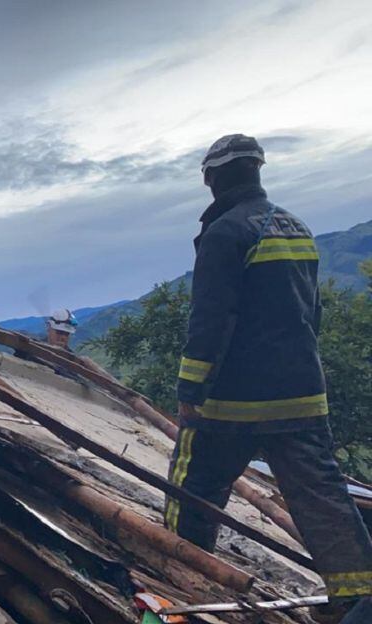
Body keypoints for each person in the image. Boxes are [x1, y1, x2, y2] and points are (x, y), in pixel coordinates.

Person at [167, 134, 372, 621]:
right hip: (302, 394)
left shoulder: (224, 233)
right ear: (258, 171)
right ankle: (358, 599)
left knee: (193, 482)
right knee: (323, 497)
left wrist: (191, 390)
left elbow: (211, 318)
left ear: (210, 178)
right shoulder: (295, 226)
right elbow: (311, 312)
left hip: (233, 400)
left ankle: (179, 564)